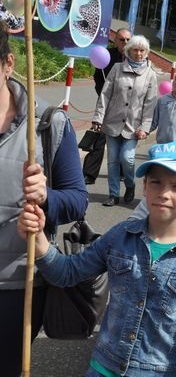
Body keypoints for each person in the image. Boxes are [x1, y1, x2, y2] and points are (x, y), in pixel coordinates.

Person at [18, 139, 176, 376]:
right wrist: (38, 236)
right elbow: (67, 274)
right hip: (103, 367)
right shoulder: (120, 236)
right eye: (156, 183)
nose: (164, 193)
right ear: (145, 186)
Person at [0, 21, 87, 377]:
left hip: (17, 286)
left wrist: (46, 197)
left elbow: (78, 200)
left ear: (8, 64)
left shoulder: (48, 124)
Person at [92, 35, 157, 207]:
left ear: (147, 52)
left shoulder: (150, 75)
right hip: (112, 122)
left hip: (133, 126)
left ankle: (130, 184)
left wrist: (145, 127)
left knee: (127, 158)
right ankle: (113, 194)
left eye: (142, 50)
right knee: (113, 160)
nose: (139, 54)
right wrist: (98, 117)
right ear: (128, 51)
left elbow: (150, 104)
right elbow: (105, 94)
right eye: (135, 50)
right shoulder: (117, 68)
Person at [84, 27, 132, 185]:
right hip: (106, 103)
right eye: (122, 39)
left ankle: (122, 172)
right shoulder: (107, 55)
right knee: (98, 138)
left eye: (127, 39)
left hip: (126, 106)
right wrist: (103, 95)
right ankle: (89, 174)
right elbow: (98, 78)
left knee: (122, 139)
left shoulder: (135, 57)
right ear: (115, 40)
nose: (125, 42)